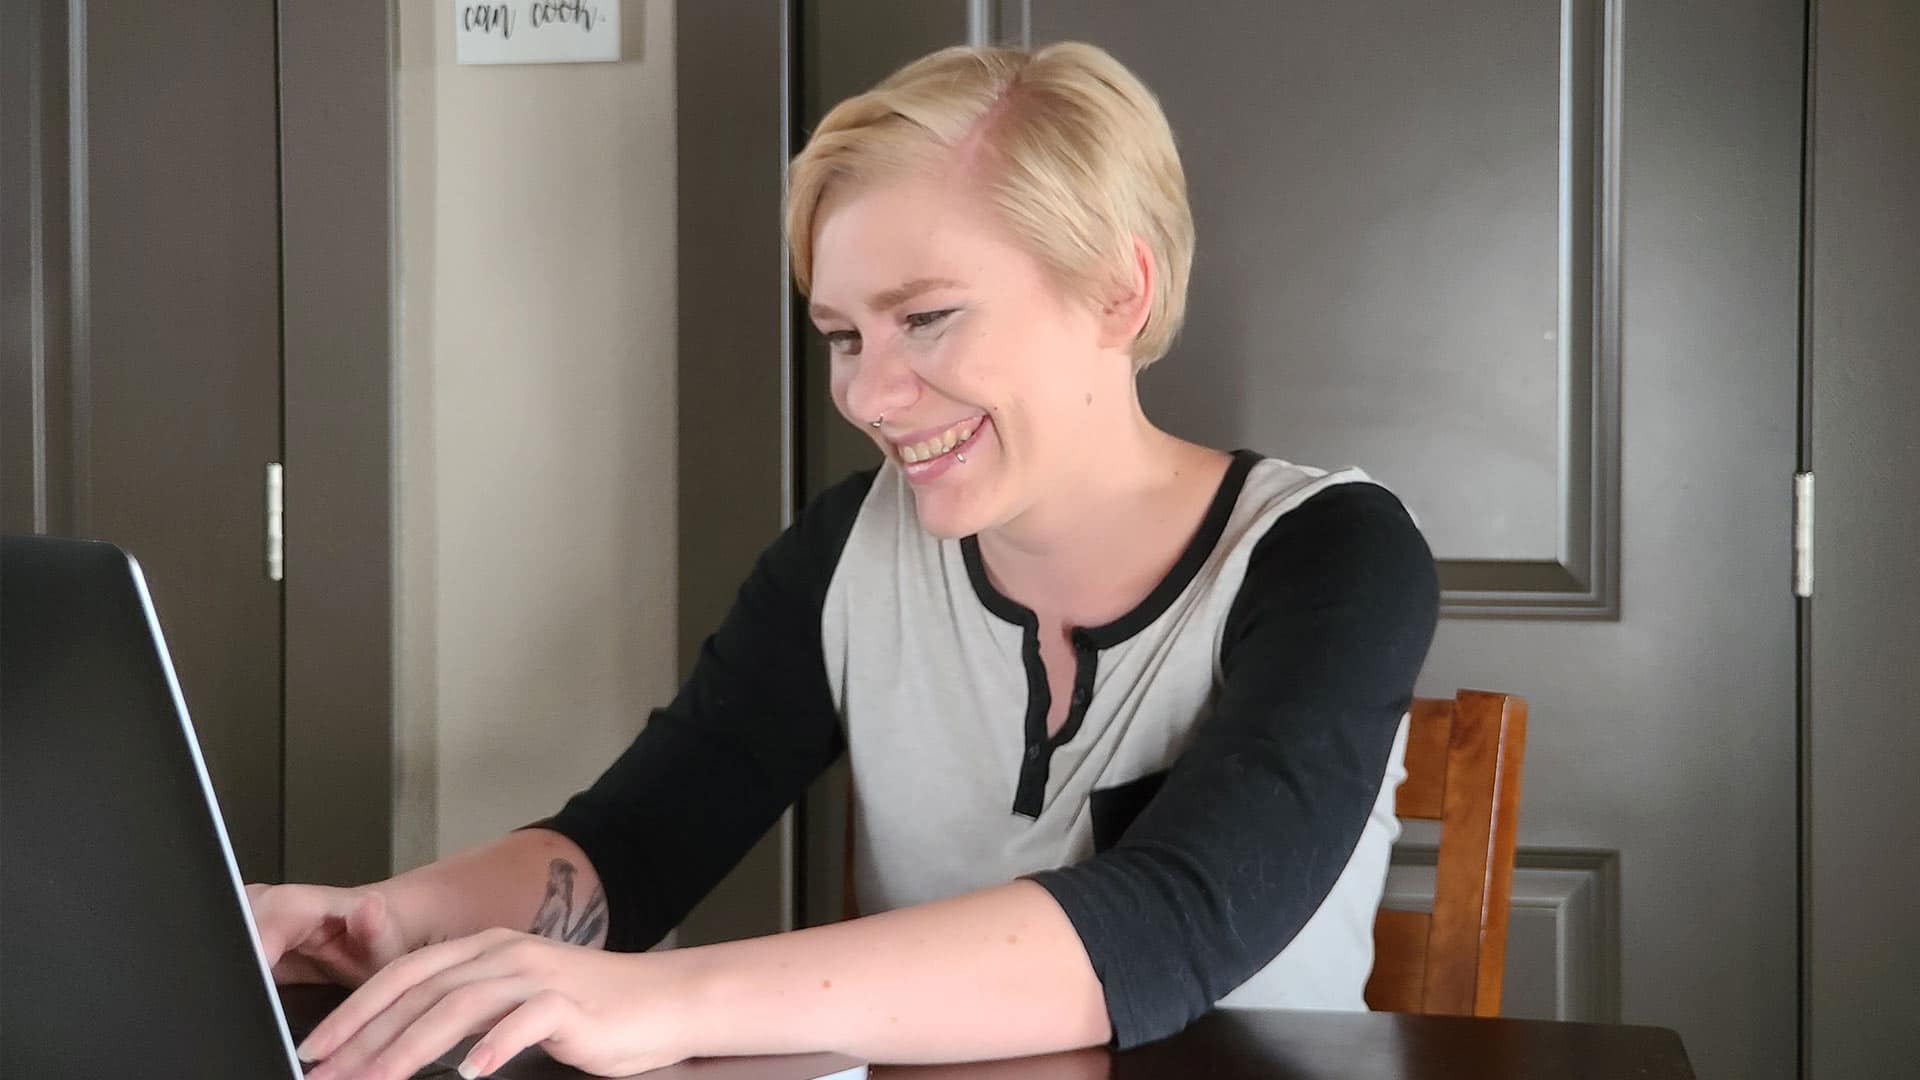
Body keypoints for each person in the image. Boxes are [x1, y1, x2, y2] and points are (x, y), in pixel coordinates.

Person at [254, 41, 1439, 1080]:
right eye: (842, 335)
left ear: (1117, 291)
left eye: (928, 318)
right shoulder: (849, 551)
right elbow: (632, 844)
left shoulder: (1331, 554)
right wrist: (391, 922)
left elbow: (1171, 920)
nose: (871, 394)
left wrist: (657, 1001)